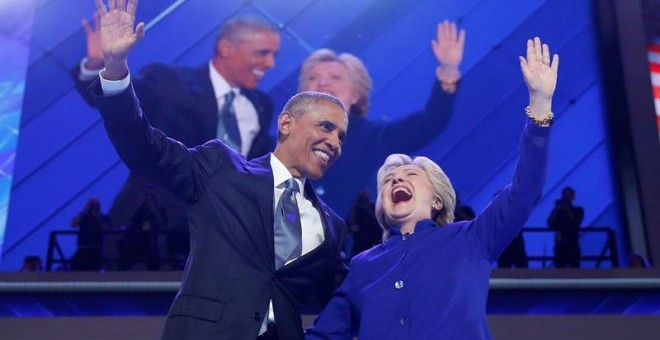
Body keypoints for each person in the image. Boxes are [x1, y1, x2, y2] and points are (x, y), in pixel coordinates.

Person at [90, 1, 347, 338]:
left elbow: (352, 296)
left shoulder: (331, 226)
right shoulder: (221, 169)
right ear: (286, 123)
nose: (334, 142)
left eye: (341, 136)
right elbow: (144, 148)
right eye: (326, 127)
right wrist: (114, 66)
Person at [306, 37, 558, 339]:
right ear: (381, 208)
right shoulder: (362, 268)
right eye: (388, 180)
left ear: (438, 199)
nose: (397, 180)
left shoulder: (471, 239)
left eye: (410, 174)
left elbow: (525, 189)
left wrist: (540, 107)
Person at [71, 8, 281, 235]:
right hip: (154, 233)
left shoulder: (262, 105)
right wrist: (106, 64)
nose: (270, 64)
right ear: (225, 48)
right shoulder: (170, 82)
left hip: (227, 235)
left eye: (274, 55)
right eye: (262, 53)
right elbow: (120, 103)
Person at [298, 21, 465, 217]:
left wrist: (448, 71)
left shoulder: (378, 137)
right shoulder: (283, 139)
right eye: (314, 77)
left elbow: (430, 121)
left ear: (356, 94)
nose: (323, 82)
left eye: (335, 77)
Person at [116, 186, 166, 271]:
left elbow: (162, 222)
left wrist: (153, 209)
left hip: (151, 239)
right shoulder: (138, 208)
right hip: (136, 239)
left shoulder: (159, 208)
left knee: (153, 261)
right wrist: (139, 204)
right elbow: (128, 219)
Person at [70, 197, 111, 271]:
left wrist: (98, 218)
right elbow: (73, 224)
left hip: (95, 249)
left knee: (94, 271)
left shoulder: (104, 217)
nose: (94, 207)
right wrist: (84, 211)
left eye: (95, 205)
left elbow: (107, 229)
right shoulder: (83, 216)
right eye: (92, 204)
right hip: (82, 249)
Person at [547, 186, 584, 268]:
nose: (565, 198)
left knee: (574, 267)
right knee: (560, 267)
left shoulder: (578, 210)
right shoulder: (558, 212)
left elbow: (575, 222)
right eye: (564, 195)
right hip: (560, 244)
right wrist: (556, 209)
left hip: (572, 243)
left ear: (572, 197)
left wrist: (567, 209)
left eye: (568, 195)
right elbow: (549, 224)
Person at [346, 190, 381, 257]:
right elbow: (351, 227)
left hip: (373, 244)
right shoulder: (356, 210)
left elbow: (379, 225)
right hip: (360, 245)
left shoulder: (373, 209)